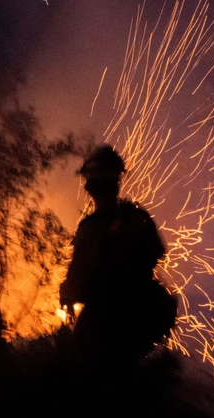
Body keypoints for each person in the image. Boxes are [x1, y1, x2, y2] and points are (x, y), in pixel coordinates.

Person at [59, 145, 176, 370]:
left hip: (102, 329)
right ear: (117, 182)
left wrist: (67, 297)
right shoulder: (139, 218)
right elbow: (158, 252)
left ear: (89, 186)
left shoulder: (90, 229)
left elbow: (77, 283)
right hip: (138, 323)